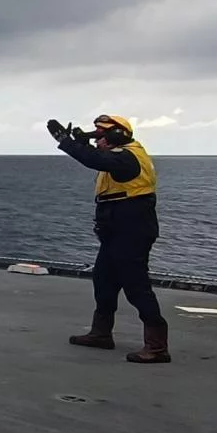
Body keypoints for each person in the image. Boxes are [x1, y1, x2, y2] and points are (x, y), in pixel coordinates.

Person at [46, 114, 171, 363]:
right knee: (104, 281)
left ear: (116, 135)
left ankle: (157, 347)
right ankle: (101, 334)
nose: (97, 140)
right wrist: (83, 142)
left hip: (132, 230)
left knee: (136, 286)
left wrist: (68, 143)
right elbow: (99, 158)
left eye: (101, 135)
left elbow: (96, 160)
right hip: (116, 229)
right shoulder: (119, 155)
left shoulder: (128, 157)